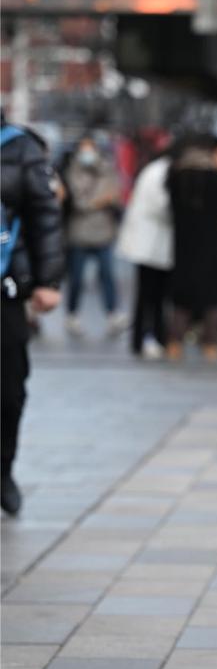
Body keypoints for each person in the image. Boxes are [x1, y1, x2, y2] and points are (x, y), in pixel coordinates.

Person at [1, 114, 65, 515]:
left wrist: (47, 281)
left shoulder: (19, 147)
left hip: (5, 284)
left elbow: (44, 216)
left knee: (8, 389)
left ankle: (2, 469)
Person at [165, 134, 217, 362]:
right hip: (211, 241)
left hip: (183, 242)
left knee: (182, 294)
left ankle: (174, 342)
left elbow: (171, 207)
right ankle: (210, 344)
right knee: (212, 294)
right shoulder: (216, 177)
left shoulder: (176, 175)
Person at [64, 135, 127, 336]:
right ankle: (72, 314)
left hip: (104, 234)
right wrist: (101, 200)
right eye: (84, 149)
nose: (87, 154)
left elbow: (115, 196)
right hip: (79, 234)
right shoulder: (72, 171)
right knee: (76, 278)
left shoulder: (107, 170)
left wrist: (102, 200)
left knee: (108, 276)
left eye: (90, 149)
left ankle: (112, 313)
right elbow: (79, 202)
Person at [116, 144, 175, 359]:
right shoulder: (162, 172)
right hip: (151, 244)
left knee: (146, 295)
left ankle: (142, 339)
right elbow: (161, 206)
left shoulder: (153, 169)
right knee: (151, 296)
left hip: (148, 244)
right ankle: (148, 338)